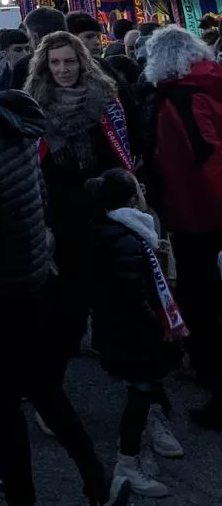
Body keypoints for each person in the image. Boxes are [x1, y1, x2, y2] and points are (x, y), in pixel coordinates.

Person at [0, 25, 125, 506]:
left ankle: (24, 497)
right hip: (28, 275)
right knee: (43, 389)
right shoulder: (8, 113)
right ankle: (97, 480)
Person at [25, 30, 135, 367]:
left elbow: (122, 149)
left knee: (105, 276)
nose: (63, 69)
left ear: (82, 62)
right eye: (55, 62)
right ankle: (68, 339)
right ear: (45, 65)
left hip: (102, 202)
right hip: (59, 206)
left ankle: (105, 340)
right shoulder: (34, 104)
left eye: (69, 61)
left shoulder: (104, 97)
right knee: (66, 284)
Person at [87, 168, 186, 498]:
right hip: (134, 336)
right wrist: (159, 332)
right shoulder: (130, 241)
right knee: (140, 393)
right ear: (132, 198)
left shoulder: (117, 232)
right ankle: (126, 464)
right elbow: (133, 296)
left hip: (124, 334)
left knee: (141, 393)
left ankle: (131, 452)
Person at [145, 24, 222, 428]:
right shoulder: (212, 84)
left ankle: (213, 376)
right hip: (202, 209)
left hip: (197, 212)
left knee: (200, 294)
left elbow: (206, 158)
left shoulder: (178, 98)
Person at [0, 28, 31, 93]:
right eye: (18, 50)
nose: (25, 54)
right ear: (5, 55)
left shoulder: (39, 79)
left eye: (27, 49)